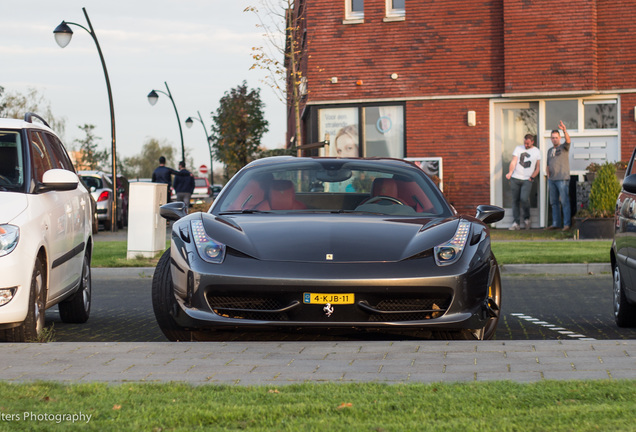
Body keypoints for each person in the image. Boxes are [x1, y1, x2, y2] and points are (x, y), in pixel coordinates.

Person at [505, 134, 541, 230]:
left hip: (527, 180)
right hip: (515, 178)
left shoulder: (536, 151)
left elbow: (538, 168)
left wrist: (532, 177)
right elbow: (513, 162)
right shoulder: (518, 148)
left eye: (528, 143)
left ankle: (527, 218)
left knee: (524, 199)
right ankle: (516, 223)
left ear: (532, 142)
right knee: (515, 200)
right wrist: (510, 172)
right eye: (525, 143)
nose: (526, 145)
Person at [546, 121, 572, 231]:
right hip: (552, 180)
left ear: (559, 138)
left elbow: (568, 140)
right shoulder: (549, 151)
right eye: (552, 138)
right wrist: (548, 175)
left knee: (565, 202)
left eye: (556, 137)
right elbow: (547, 164)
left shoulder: (564, 147)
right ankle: (556, 223)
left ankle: (566, 224)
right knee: (554, 203)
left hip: (562, 179)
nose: (554, 139)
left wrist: (564, 130)